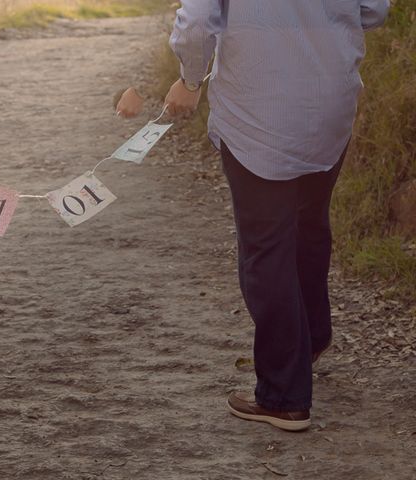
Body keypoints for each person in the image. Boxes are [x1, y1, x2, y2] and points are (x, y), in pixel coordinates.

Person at [159, 0, 390, 430]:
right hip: (329, 106)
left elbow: (194, 26)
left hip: (259, 113)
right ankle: (312, 337)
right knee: (309, 226)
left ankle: (284, 396)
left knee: (266, 249)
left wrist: (190, 81)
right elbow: (375, 12)